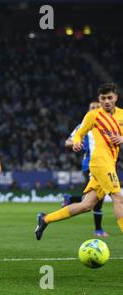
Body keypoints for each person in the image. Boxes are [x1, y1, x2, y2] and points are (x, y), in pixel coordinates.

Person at [35, 83, 123, 240]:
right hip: (99, 162)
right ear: (99, 99)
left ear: (116, 97)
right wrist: (76, 142)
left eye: (110, 97)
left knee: (86, 205)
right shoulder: (93, 115)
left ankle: (45, 219)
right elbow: (79, 133)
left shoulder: (122, 115)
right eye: (103, 98)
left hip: (110, 162)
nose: (107, 101)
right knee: (118, 198)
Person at [63, 102, 108, 237]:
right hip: (90, 165)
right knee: (98, 199)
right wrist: (77, 143)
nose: (95, 110)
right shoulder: (83, 126)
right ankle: (98, 230)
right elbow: (67, 142)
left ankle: (70, 199)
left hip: (104, 164)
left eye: (97, 108)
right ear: (88, 111)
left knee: (90, 199)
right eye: (92, 108)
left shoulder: (105, 125)